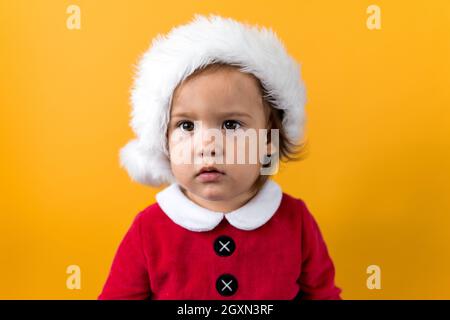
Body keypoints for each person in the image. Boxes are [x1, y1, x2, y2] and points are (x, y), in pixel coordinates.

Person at [98, 14, 342, 300]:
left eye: (231, 125)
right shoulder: (149, 229)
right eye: (186, 126)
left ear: (268, 141)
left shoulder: (294, 221)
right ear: (163, 142)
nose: (208, 145)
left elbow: (323, 295)